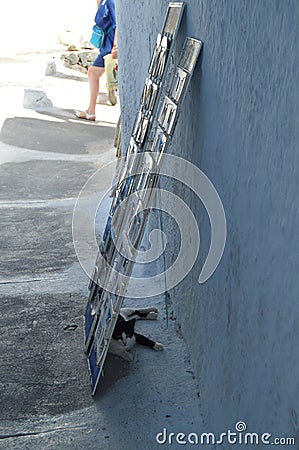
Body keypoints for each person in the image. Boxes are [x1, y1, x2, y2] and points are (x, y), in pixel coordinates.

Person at [75, 0, 117, 121]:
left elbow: (117, 25)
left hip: (110, 48)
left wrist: (115, 46)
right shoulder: (104, 1)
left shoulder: (111, 1)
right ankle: (91, 111)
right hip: (106, 46)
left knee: (93, 73)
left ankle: (91, 111)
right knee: (93, 74)